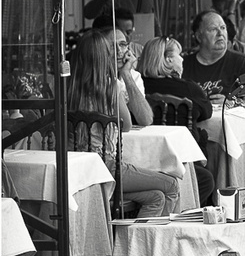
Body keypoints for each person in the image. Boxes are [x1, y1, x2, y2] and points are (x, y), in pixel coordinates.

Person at [68, 30, 179, 218]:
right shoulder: (110, 88)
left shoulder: (70, 90)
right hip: (108, 167)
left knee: (156, 197)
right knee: (172, 184)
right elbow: (126, 125)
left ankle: (135, 245)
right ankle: (160, 241)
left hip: (79, 168)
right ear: (103, 58)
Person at [137, 37, 216, 207]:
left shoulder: (137, 87)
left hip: (142, 159)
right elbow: (207, 112)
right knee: (207, 176)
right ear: (168, 60)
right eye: (179, 54)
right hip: (180, 160)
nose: (182, 59)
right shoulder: (188, 88)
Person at [99, 26, 153, 128]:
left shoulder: (134, 76)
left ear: (128, 49)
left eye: (122, 45)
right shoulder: (97, 77)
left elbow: (146, 120)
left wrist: (126, 75)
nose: (119, 51)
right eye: (111, 46)